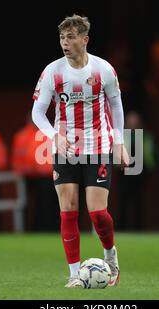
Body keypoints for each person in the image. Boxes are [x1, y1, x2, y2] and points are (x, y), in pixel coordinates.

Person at [31, 15, 129, 288]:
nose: (65, 42)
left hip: (98, 145)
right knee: (68, 209)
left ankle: (111, 257)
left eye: (71, 37)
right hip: (66, 148)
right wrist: (54, 136)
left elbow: (117, 106)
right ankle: (75, 275)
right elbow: (37, 112)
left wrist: (119, 142)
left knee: (97, 213)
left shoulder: (104, 69)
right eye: (62, 37)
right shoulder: (53, 71)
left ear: (84, 40)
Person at [11, 113, 59, 231]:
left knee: (51, 204)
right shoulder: (22, 136)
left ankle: (50, 228)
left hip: (49, 176)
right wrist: (23, 170)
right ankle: (33, 228)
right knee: (30, 205)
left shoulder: (51, 132)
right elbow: (17, 159)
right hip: (28, 177)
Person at [119, 110, 156, 230]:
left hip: (141, 171)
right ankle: (122, 227)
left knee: (139, 200)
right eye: (131, 120)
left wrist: (150, 168)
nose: (133, 123)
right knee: (123, 200)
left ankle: (138, 227)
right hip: (124, 171)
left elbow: (150, 153)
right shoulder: (121, 135)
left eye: (135, 120)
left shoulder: (146, 136)